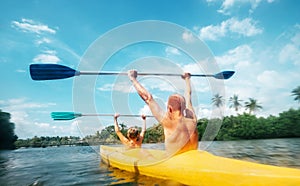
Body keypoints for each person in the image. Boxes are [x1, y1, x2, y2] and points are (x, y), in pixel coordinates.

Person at [128, 70, 198, 156]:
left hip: (176, 163)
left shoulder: (168, 121)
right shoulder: (192, 119)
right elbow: (188, 95)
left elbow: (147, 98)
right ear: (184, 107)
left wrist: (133, 78)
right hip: (194, 159)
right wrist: (187, 79)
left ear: (170, 109)